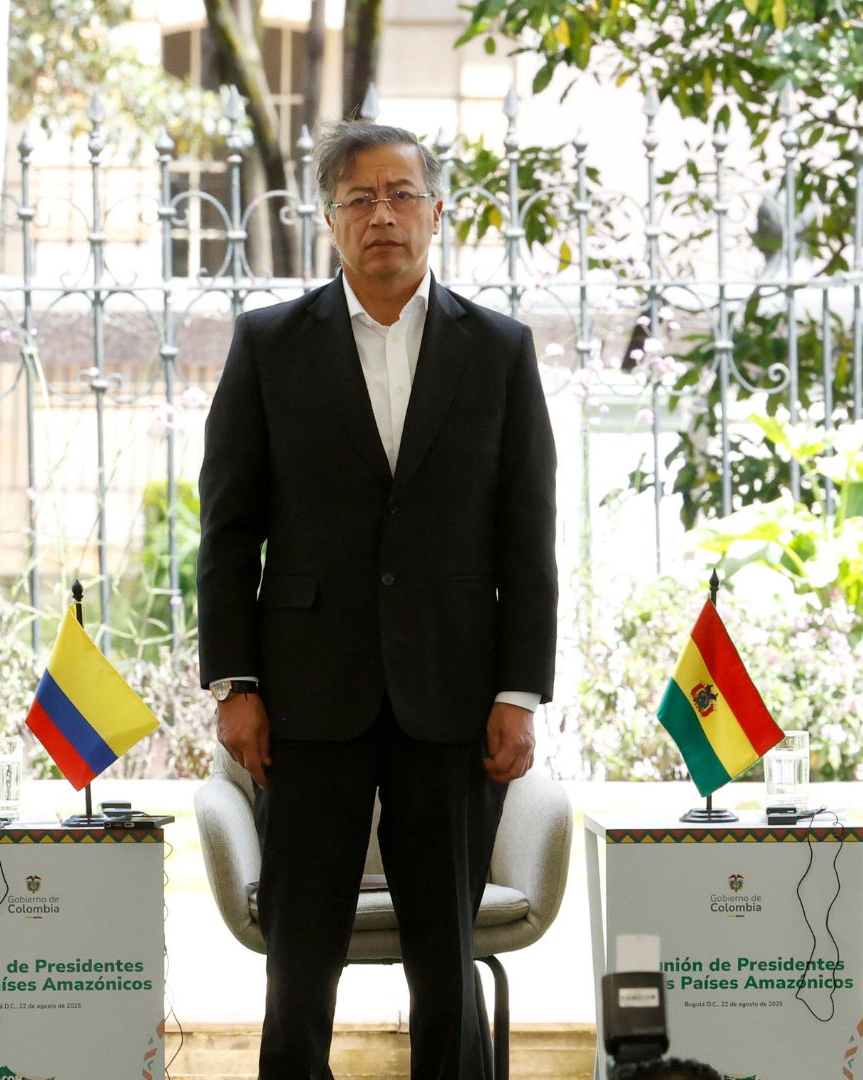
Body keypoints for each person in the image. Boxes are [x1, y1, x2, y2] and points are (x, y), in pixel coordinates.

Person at [197, 120, 558, 1080]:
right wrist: (235, 682)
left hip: (453, 696)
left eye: (401, 194)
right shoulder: (270, 344)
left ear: (437, 213)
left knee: (448, 960)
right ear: (330, 221)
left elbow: (528, 540)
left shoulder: (500, 350)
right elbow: (229, 530)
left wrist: (519, 693)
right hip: (308, 696)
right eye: (360, 199)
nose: (383, 215)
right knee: (300, 961)